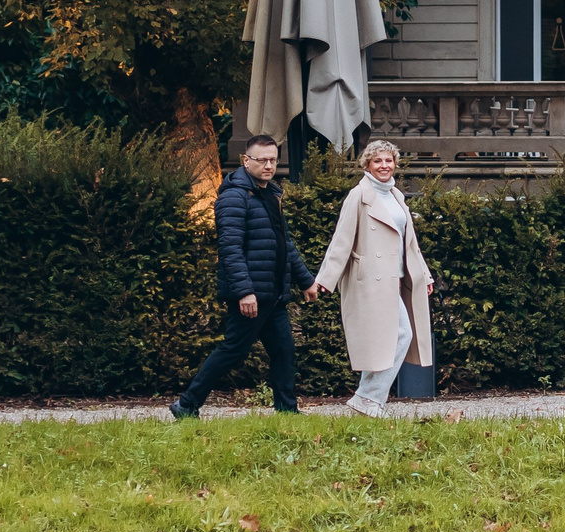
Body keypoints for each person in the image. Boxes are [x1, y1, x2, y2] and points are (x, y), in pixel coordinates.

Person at [170, 133, 317, 420]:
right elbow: (230, 249)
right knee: (233, 351)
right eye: (262, 160)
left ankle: (287, 411)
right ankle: (186, 404)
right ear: (246, 160)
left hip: (273, 294)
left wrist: (306, 281)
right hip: (252, 293)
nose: (269, 166)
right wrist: (244, 292)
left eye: (273, 160)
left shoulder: (271, 194)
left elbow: (284, 244)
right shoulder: (234, 197)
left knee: (284, 351)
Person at [312, 139, 435, 418]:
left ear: (395, 164)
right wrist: (326, 278)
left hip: (396, 278)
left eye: (388, 160)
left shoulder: (396, 196)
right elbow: (342, 239)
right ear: (367, 165)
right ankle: (368, 398)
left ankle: (367, 398)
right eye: (377, 161)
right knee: (395, 336)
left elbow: (410, 242)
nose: (384, 166)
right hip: (371, 279)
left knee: (395, 337)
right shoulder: (359, 195)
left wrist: (424, 274)